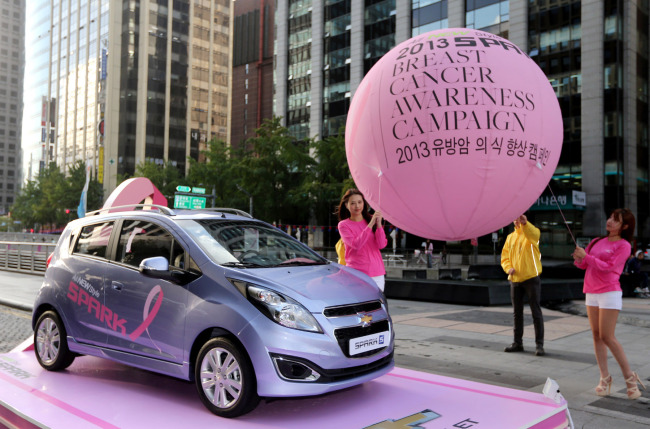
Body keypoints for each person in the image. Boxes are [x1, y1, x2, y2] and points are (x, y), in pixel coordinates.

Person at [572, 208, 646, 399]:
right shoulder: (597, 241)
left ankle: (630, 378)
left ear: (625, 226)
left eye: (616, 220)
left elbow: (608, 267)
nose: (610, 221)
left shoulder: (624, 246)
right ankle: (604, 378)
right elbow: (585, 265)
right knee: (597, 336)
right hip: (591, 291)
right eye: (611, 218)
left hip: (609, 292)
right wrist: (579, 258)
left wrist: (586, 257)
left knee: (607, 336)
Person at [500, 214, 545, 356]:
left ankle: (539, 345)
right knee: (517, 313)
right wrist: (508, 268)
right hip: (515, 279)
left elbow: (535, 234)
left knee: (535, 312)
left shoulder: (532, 233)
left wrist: (526, 224)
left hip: (531, 277)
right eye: (515, 217)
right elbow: (505, 257)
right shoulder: (510, 237)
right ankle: (517, 343)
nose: (517, 220)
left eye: (519, 217)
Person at [336, 188, 388, 291]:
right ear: (346, 205)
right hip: (356, 274)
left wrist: (378, 225)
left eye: (360, 202)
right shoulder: (343, 225)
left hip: (377, 273)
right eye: (353, 203)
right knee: (359, 306)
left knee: (376, 305)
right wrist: (370, 224)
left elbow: (381, 245)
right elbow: (356, 245)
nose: (357, 206)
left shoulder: (372, 220)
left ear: (364, 203)